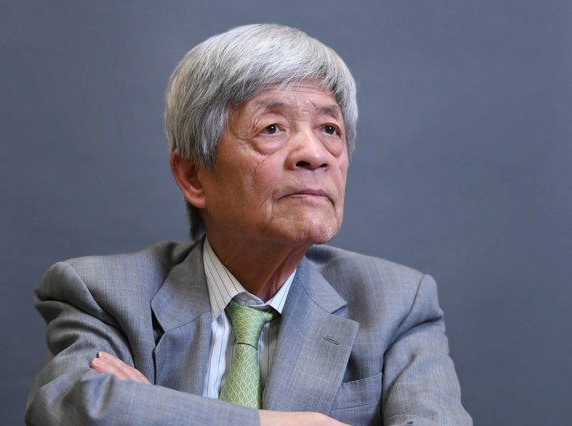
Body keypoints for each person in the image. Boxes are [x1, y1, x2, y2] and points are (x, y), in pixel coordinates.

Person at [25, 24, 472, 425]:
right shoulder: (106, 295)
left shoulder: (395, 305)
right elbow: (71, 407)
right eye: (272, 128)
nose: (314, 154)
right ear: (194, 176)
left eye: (329, 129)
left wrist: (155, 410)